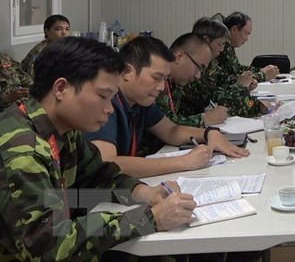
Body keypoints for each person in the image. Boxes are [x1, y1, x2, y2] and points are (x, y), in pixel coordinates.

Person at [0, 37, 197, 261]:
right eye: (103, 96)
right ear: (61, 88)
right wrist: (150, 218)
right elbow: (50, 248)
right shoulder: (22, 150)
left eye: (112, 98)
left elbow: (99, 175)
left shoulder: (64, 130)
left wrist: (144, 193)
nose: (109, 109)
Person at [86, 36, 249, 179]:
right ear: (128, 71)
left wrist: (209, 133)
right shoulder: (107, 103)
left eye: (164, 79)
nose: (162, 87)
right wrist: (181, 162)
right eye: (156, 78)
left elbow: (171, 131)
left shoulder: (139, 101)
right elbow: (108, 163)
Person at [177, 17, 264, 119]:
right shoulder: (190, 68)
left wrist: (243, 82)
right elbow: (213, 97)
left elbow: (222, 80)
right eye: (219, 44)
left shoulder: (211, 63)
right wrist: (240, 86)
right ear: (206, 40)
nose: (222, 49)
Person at [153, 33, 231, 128]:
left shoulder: (177, 83)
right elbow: (166, 126)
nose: (198, 76)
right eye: (198, 67)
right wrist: (204, 119)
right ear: (180, 56)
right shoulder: (156, 81)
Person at [214, 12, 280, 91]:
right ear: (234, 30)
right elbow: (227, 80)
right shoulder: (222, 48)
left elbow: (237, 69)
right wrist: (262, 75)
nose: (247, 39)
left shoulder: (229, 46)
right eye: (246, 34)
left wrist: (260, 70)